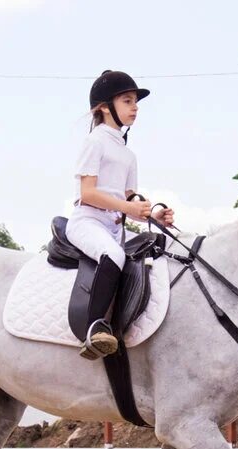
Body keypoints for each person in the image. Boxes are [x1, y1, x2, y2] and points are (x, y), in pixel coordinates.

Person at [67, 69, 174, 360]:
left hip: (114, 226)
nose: (135, 107)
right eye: (127, 101)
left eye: (135, 102)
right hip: (87, 221)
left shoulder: (128, 155)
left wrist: (154, 214)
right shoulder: (95, 142)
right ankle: (94, 328)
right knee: (113, 256)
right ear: (104, 107)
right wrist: (128, 207)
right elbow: (87, 193)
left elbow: (128, 200)